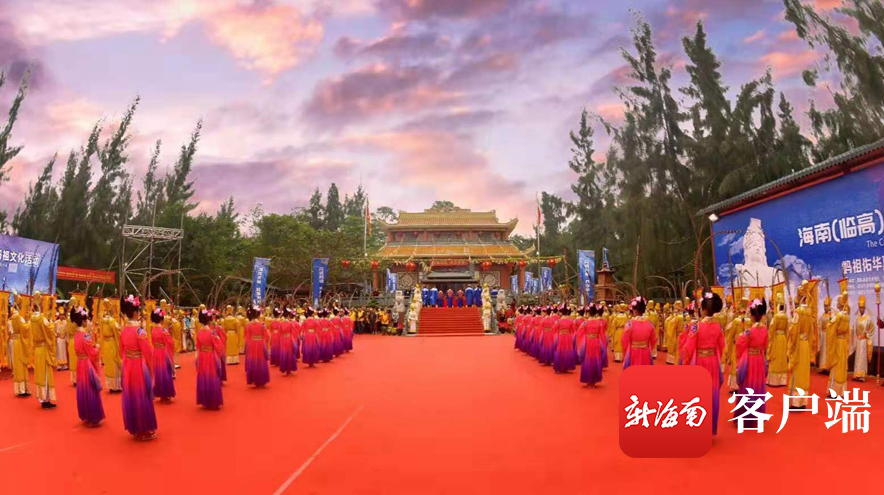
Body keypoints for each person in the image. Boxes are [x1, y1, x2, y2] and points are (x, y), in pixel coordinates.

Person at [680, 291, 725, 435]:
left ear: (703, 309)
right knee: (711, 395)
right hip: (713, 362)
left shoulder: (696, 326)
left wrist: (685, 364)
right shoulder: (718, 327)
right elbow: (722, 346)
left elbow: (688, 348)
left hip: (699, 362)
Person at [119, 295, 157, 441]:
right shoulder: (140, 331)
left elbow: (121, 350)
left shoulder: (124, 330)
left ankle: (134, 427)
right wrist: (149, 366)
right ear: (135, 312)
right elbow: (148, 351)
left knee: (131, 396)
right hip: (138, 366)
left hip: (128, 365)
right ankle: (144, 429)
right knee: (141, 395)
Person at [731, 298, 769, 429]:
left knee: (747, 386)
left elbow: (739, 344)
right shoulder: (764, 329)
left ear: (752, 315)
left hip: (749, 360)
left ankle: (745, 415)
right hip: (759, 359)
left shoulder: (749, 331)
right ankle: (757, 414)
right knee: (758, 386)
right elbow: (765, 344)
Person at [72, 305, 104, 426]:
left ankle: (86, 414)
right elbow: (92, 353)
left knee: (83, 389)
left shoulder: (76, 335)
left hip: (80, 363)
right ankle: (93, 416)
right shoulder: (85, 336)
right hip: (87, 364)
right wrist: (97, 347)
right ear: (84, 321)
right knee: (90, 388)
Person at [787, 281, 817, 409]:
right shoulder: (809, 312)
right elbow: (811, 332)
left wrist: (791, 346)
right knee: (804, 372)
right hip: (806, 345)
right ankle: (803, 401)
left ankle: (796, 402)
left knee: (798, 372)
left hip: (799, 345)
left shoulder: (798, 312)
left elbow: (793, 331)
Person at [31, 292, 58, 409]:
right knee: (46, 374)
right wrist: (52, 323)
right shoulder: (41, 318)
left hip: (37, 349)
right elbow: (49, 330)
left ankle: (42, 398)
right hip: (43, 349)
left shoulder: (32, 318)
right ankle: (46, 400)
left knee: (40, 374)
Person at [195, 309, 223, 409]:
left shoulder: (199, 332)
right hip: (210, 356)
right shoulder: (212, 333)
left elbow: (197, 345)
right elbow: (219, 346)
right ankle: (213, 401)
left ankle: (205, 400)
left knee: (203, 376)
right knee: (212, 376)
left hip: (202, 356)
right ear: (209, 320)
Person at [622, 296, 656, 369]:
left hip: (633, 352)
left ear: (635, 310)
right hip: (646, 352)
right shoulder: (650, 324)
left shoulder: (630, 324)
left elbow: (624, 340)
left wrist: (626, 352)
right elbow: (653, 340)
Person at [150, 308, 176, 403]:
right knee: (165, 372)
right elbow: (170, 343)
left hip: (156, 352)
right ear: (161, 319)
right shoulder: (163, 330)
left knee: (158, 373)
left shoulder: (153, 329)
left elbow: (153, 341)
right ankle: (166, 394)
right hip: (163, 352)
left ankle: (161, 393)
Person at [725, 298, 750, 392]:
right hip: (746, 347)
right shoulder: (749, 320)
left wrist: (728, 348)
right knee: (744, 364)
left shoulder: (736, 321)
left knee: (736, 364)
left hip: (737, 345)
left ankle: (735, 385)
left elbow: (730, 334)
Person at [829, 292, 850, 396]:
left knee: (836, 364)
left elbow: (832, 329)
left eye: (837, 302)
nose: (836, 304)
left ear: (840, 304)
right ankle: (841, 390)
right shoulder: (847, 316)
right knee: (842, 364)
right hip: (843, 342)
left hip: (837, 342)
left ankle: (834, 390)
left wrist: (830, 321)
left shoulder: (839, 316)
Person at [580, 304, 606, 387]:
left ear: (588, 312)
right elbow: (602, 335)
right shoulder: (599, 323)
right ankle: (594, 380)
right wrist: (603, 345)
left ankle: (588, 380)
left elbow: (579, 333)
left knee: (587, 360)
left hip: (587, 342)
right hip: (596, 342)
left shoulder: (585, 322)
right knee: (595, 360)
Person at [244, 305, 270, 387]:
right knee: (261, 361)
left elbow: (246, 337)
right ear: (258, 315)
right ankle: (262, 380)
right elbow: (267, 336)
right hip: (260, 344)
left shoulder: (248, 325)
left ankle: (254, 380)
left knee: (253, 361)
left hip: (251, 344)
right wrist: (264, 343)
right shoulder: (262, 325)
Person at [10, 294, 31, 397]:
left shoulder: (13, 316)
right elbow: (24, 328)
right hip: (20, 342)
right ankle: (22, 389)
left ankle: (20, 388)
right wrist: (30, 322)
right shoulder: (19, 317)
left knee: (18, 364)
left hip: (15, 341)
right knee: (21, 363)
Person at [99, 300, 122, 393]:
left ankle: (110, 386)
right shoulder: (113, 322)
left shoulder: (103, 320)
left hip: (106, 343)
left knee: (108, 364)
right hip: (112, 343)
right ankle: (116, 386)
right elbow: (118, 333)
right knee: (115, 364)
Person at [766, 293, 789, 387]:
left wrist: (770, 339)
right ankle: (782, 380)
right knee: (782, 358)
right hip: (783, 339)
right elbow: (787, 330)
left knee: (775, 357)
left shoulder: (776, 317)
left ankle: (774, 380)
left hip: (776, 339)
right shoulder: (786, 317)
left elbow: (772, 329)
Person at [853, 296, 873, 381]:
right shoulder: (857, 318)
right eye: (860, 308)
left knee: (862, 358)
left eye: (862, 308)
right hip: (858, 340)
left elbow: (871, 329)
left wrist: (866, 335)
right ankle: (856, 374)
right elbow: (854, 329)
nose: (861, 309)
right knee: (857, 357)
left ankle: (862, 375)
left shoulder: (868, 318)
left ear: (864, 308)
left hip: (864, 340)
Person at [552, 307, 577, 373]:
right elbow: (574, 330)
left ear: (561, 313)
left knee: (560, 350)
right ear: (567, 312)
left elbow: (554, 329)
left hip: (560, 336)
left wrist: (558, 333)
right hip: (568, 336)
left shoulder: (558, 321)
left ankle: (560, 367)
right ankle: (567, 366)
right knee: (568, 350)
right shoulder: (571, 321)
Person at [278, 308, 298, 376]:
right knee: (290, 354)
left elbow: (279, 333)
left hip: (283, 339)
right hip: (289, 339)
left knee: (284, 354)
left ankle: (285, 369)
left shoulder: (281, 324)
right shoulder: (291, 324)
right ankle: (289, 369)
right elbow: (294, 332)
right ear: (289, 315)